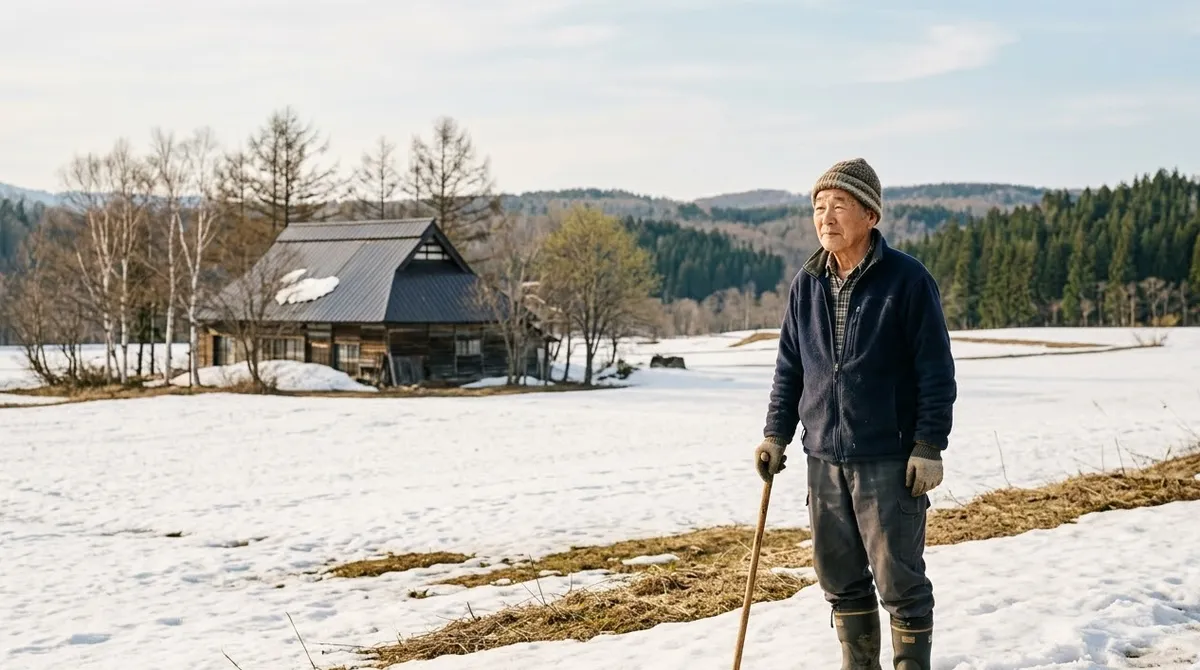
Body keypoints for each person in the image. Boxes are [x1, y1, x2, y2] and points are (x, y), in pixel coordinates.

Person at [754, 158, 957, 670]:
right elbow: (789, 369)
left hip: (888, 459)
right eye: (818, 208)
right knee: (839, 578)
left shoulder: (907, 280)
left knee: (900, 582)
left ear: (870, 215)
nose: (826, 218)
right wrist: (775, 435)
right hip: (823, 457)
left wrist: (929, 445)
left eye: (838, 206)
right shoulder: (807, 283)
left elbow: (936, 371)